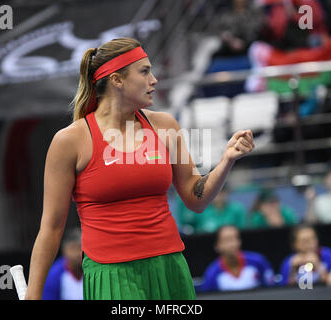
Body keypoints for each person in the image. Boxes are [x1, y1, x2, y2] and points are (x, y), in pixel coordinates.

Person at [25, 38, 255, 300]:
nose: (154, 80)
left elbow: (195, 198)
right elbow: (52, 228)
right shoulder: (69, 141)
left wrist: (226, 160)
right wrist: (33, 294)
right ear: (117, 80)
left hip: (169, 267)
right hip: (111, 274)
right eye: (144, 71)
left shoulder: (166, 125)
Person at [197, 225, 274, 292]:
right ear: (217, 246)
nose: (233, 244)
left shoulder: (258, 261)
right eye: (227, 240)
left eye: (235, 238)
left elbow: (272, 289)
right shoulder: (212, 273)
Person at [176, 185, 247, 234]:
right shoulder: (200, 209)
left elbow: (243, 231)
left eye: (222, 192)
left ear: (227, 193)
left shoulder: (237, 209)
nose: (219, 195)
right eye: (216, 191)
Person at [42, 228, 83, 300]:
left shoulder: (95, 271)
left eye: (80, 248)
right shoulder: (53, 274)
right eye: (73, 248)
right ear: (64, 250)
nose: (78, 254)